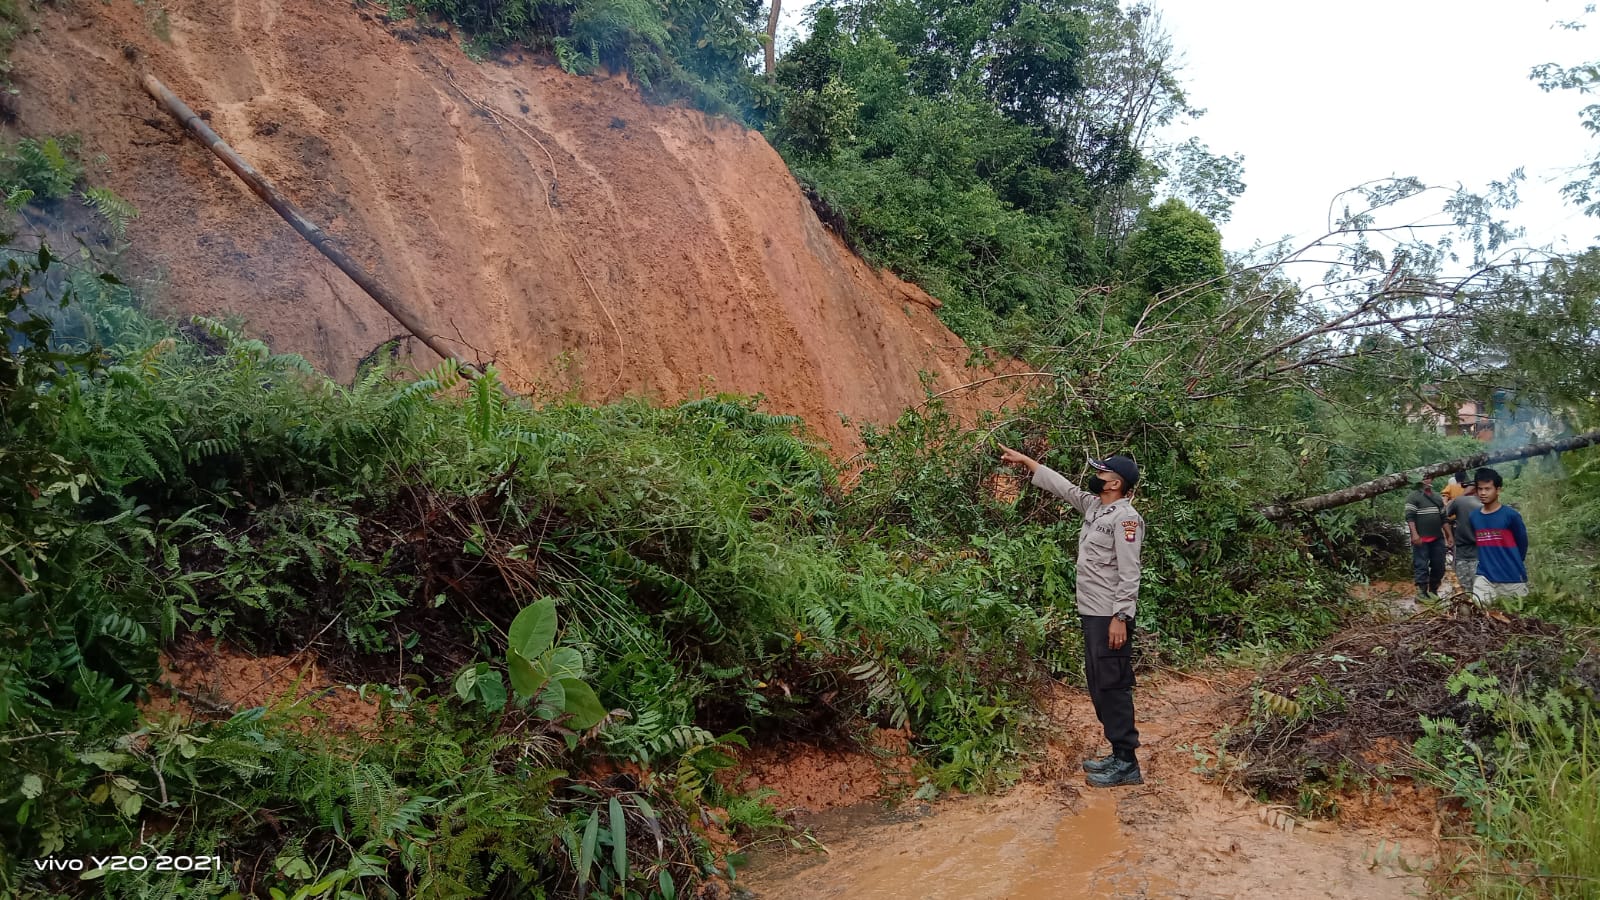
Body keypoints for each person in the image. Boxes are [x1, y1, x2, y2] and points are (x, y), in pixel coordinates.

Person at [999, 444, 1145, 788]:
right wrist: (1027, 462)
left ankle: (1128, 763)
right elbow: (1064, 487)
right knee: (1099, 684)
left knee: (1113, 685)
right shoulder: (1096, 507)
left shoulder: (1126, 519)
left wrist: (1121, 617)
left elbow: (1130, 571)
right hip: (1092, 612)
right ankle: (1117, 753)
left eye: (1101, 473)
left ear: (1115, 483)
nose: (1095, 477)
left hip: (1110, 616)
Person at [1469, 467, 1529, 606]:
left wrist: (1513, 563)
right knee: (1479, 613)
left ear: (1498, 490)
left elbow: (1522, 544)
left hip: (1512, 578)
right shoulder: (1474, 516)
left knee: (1515, 620)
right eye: (1480, 489)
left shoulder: (1511, 516)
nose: (1483, 493)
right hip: (1485, 576)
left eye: (1487, 488)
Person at [1405, 478, 1447, 598]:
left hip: (1437, 538)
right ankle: (1421, 593)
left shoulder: (1437, 497)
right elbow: (1410, 517)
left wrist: (1449, 536)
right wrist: (1414, 534)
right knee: (1421, 565)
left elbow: (1444, 518)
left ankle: (1433, 591)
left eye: (1429, 477)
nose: (1427, 480)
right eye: (1424, 477)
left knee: (1439, 565)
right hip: (1421, 539)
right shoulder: (1413, 497)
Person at [1443, 477, 1481, 597]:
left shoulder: (1460, 501)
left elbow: (1442, 515)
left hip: (1462, 551)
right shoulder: (1489, 503)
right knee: (1480, 589)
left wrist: (1449, 536)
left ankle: (1464, 613)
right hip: (1483, 552)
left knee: (1462, 590)